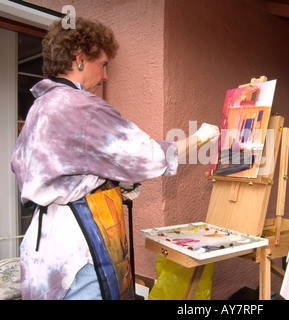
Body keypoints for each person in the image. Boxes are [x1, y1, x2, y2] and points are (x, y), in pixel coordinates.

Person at [11, 17, 219, 300]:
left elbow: (61, 171)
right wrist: (200, 138)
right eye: (104, 64)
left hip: (42, 247)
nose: (106, 75)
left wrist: (105, 181)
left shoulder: (40, 107)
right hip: (78, 250)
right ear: (80, 59)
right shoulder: (81, 107)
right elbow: (145, 156)